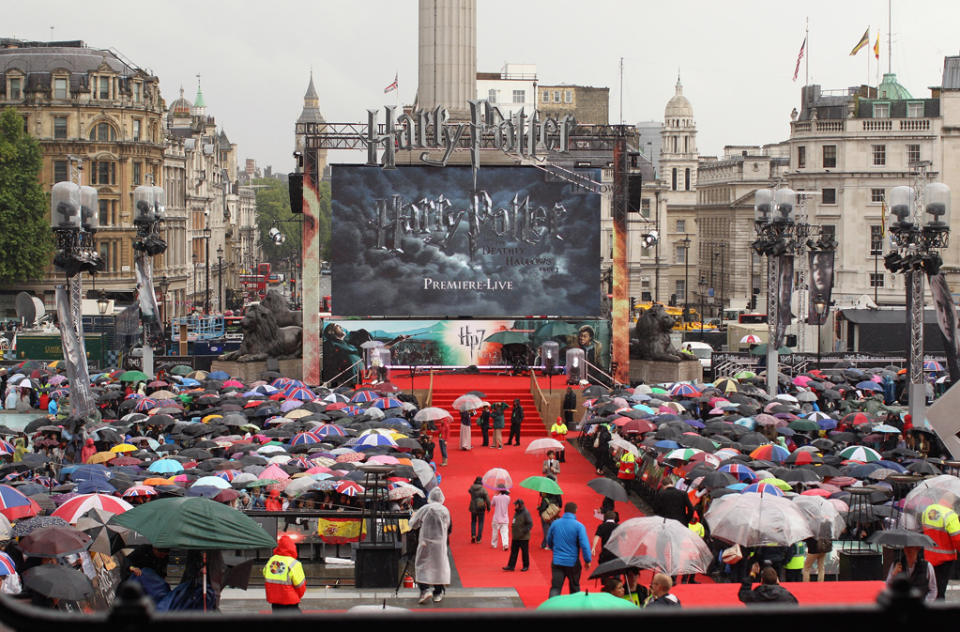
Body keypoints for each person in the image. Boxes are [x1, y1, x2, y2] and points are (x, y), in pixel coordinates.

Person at [409, 487, 451, 604]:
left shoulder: (424, 509)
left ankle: (425, 589)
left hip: (425, 541)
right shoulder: (445, 510)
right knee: (439, 566)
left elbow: (413, 524)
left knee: (422, 565)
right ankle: (438, 591)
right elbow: (448, 526)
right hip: (440, 543)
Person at [545, 502, 591, 597]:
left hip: (557, 560)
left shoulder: (555, 523)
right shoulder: (579, 526)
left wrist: (554, 549)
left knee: (555, 587)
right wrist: (587, 560)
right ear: (575, 511)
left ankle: (551, 608)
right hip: (573, 562)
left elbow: (548, 539)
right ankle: (574, 609)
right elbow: (584, 545)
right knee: (574, 587)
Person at [921, 502, 960, 599]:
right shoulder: (950, 515)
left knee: (929, 588)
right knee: (940, 590)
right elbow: (957, 539)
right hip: (945, 559)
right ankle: (938, 612)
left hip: (928, 555)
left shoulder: (927, 510)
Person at [262, 534, 306, 611]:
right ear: (292, 548)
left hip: (275, 601)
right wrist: (297, 596)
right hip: (290, 601)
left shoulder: (271, 560)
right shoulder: (294, 563)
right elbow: (300, 585)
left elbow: (265, 573)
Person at [503, 498, 533, 572]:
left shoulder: (525, 513)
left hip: (523, 537)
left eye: (516, 505)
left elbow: (530, 523)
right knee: (513, 552)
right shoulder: (517, 512)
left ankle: (526, 566)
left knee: (524, 553)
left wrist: (524, 531)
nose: (515, 506)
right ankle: (511, 566)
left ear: (519, 505)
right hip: (516, 536)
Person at [468, 476, 490, 544]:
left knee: (473, 522)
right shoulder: (483, 490)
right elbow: (487, 499)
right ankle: (479, 538)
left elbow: (469, 491)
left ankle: (473, 535)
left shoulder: (472, 488)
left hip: (473, 506)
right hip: (480, 507)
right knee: (480, 522)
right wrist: (488, 507)